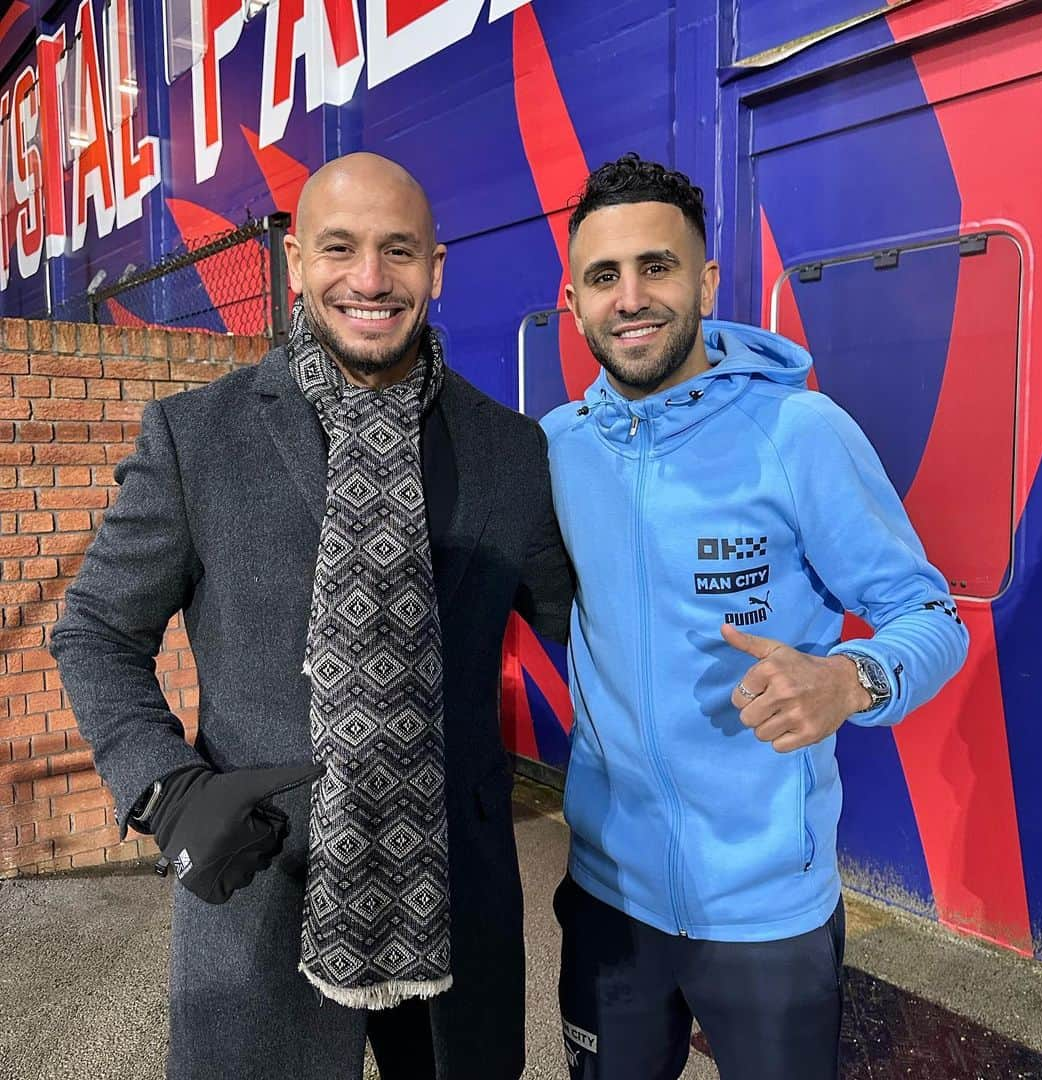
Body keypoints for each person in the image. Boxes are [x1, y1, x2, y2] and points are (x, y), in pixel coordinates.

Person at [50, 152, 573, 1080]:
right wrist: (165, 786)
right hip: (261, 892)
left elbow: (592, 625)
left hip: (455, 905)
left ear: (436, 269)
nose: (369, 280)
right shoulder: (195, 438)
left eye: (398, 252)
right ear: (296, 263)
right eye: (340, 248)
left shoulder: (512, 451)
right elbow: (95, 629)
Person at [540, 153, 969, 1080]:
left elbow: (931, 615)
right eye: (603, 277)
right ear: (573, 302)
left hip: (769, 915)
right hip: (608, 901)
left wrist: (848, 679)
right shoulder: (560, 448)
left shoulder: (799, 433)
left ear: (706, 280)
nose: (631, 297)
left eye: (657, 266)